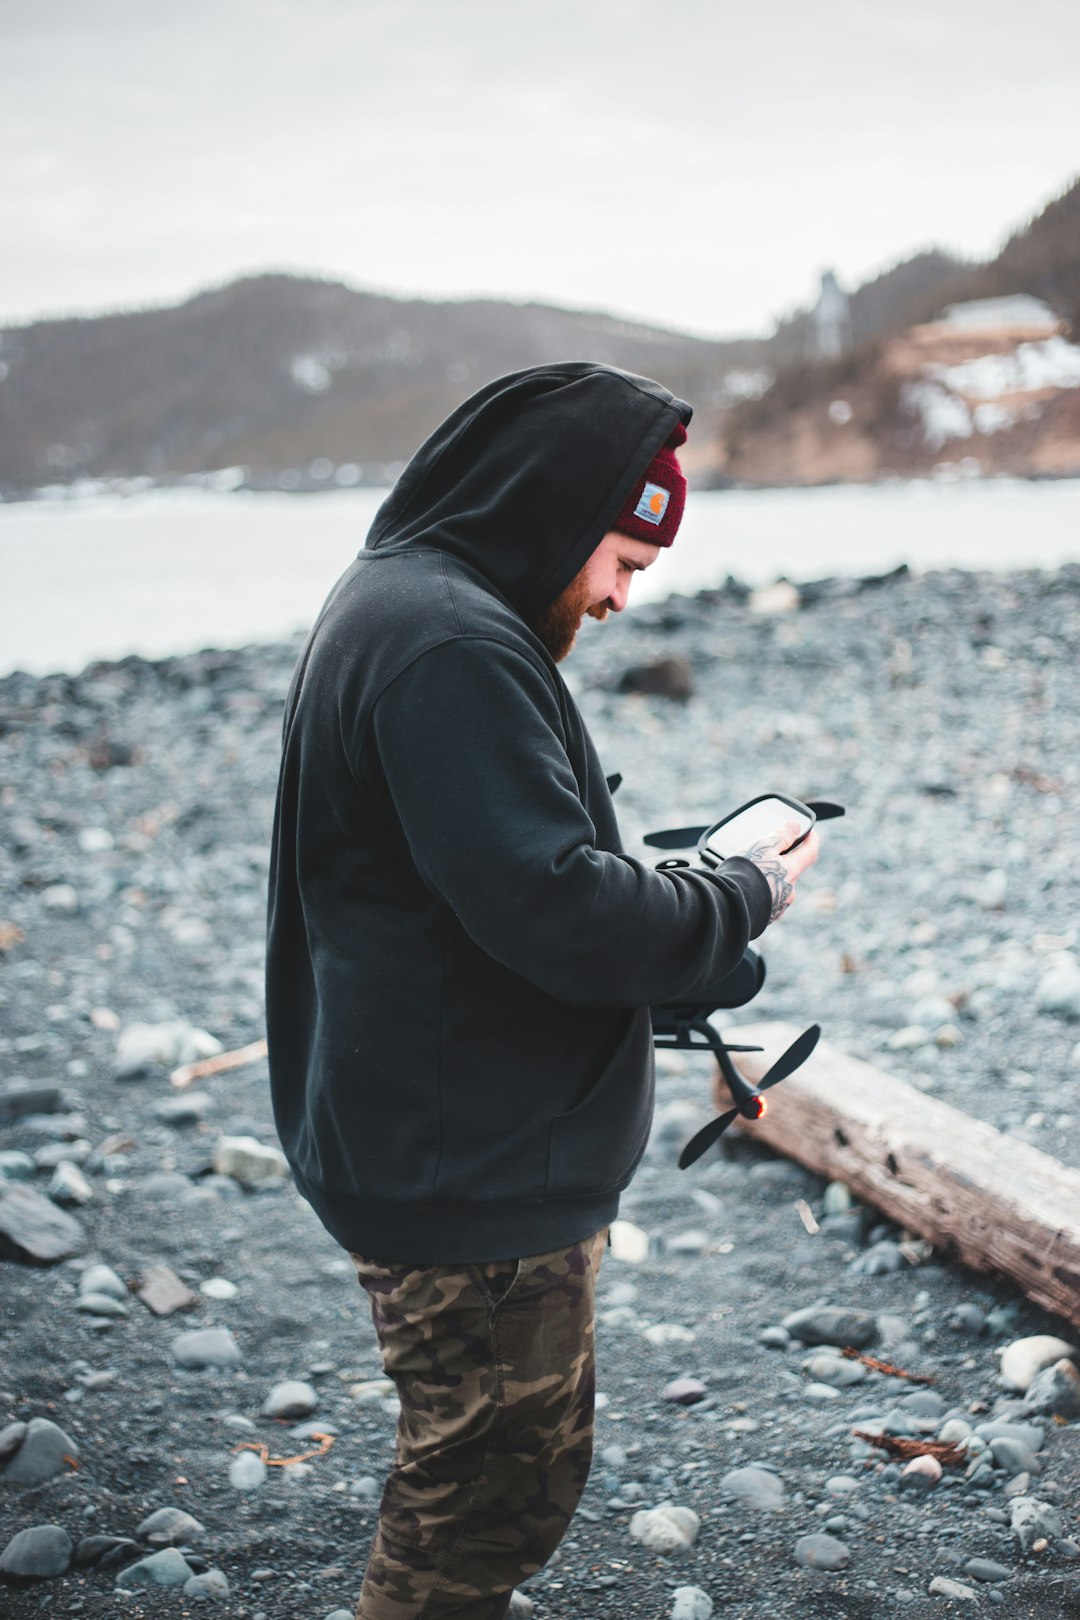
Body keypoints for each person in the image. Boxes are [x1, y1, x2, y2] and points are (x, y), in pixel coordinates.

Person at [265, 361, 819, 1619]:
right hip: (468, 1172)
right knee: (480, 1499)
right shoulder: (448, 643)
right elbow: (558, 910)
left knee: (497, 1477)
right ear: (554, 518)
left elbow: (489, 892)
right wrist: (743, 889)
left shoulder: (409, 607)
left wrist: (687, 932)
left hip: (443, 1133)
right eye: (621, 561)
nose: (622, 598)